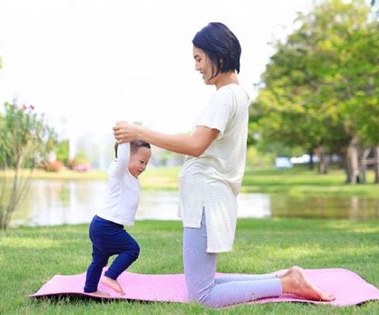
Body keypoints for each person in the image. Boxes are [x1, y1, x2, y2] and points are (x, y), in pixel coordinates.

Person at [113, 22, 335, 307]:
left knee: (202, 296)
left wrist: (139, 132)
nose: (196, 67)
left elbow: (196, 145)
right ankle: (286, 277)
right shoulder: (235, 95)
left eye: (198, 58)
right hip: (207, 197)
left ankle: (285, 283)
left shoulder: (225, 97)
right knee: (204, 284)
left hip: (206, 197)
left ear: (217, 54)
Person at [84, 140, 151, 297]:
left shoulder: (130, 177)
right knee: (132, 249)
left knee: (99, 260)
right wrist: (124, 137)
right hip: (106, 226)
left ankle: (90, 289)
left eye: (146, 164)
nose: (143, 167)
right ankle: (110, 276)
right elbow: (121, 158)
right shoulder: (119, 172)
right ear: (126, 156)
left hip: (101, 225)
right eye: (141, 162)